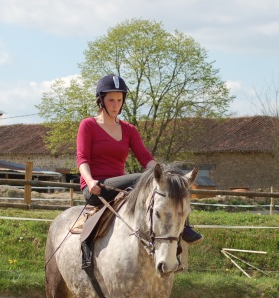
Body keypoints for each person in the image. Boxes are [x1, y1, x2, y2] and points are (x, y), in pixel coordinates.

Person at [77, 74, 203, 269]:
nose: (115, 104)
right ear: (100, 99)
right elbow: (82, 159)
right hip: (97, 187)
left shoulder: (129, 130)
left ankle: (182, 229)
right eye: (111, 100)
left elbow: (145, 158)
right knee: (139, 178)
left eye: (119, 100)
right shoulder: (88, 125)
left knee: (171, 186)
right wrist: (90, 181)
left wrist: (165, 177)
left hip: (123, 187)